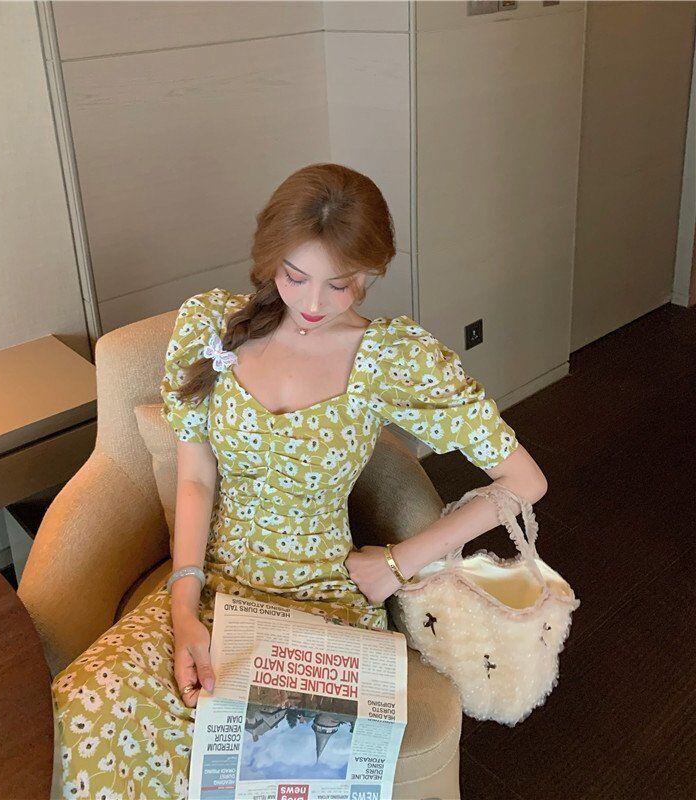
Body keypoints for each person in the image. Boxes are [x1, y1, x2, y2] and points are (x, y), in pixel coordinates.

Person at [50, 163, 547, 799]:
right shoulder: (210, 326)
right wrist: (182, 607)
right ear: (269, 261)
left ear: (370, 272)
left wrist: (397, 562)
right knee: (85, 713)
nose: (313, 305)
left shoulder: (392, 357)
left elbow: (523, 481)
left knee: (268, 771)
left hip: (325, 601)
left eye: (340, 285)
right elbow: (196, 476)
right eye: (294, 277)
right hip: (213, 581)